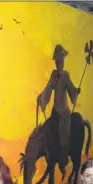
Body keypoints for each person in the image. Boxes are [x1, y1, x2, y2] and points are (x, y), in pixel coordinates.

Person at [38, 44, 80, 175]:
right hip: (55, 111)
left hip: (64, 113)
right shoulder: (54, 75)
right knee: (48, 131)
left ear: (63, 62)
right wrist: (42, 98)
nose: (59, 64)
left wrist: (75, 92)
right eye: (57, 61)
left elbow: (71, 88)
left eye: (61, 61)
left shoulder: (66, 75)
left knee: (64, 135)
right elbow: (49, 88)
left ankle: (63, 160)